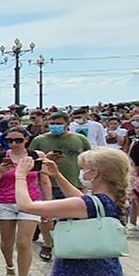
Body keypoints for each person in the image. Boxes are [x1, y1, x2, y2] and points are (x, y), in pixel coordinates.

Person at [0, 127, 51, 276]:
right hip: (5, 202)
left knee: (24, 242)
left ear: (26, 140)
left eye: (18, 140)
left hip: (30, 202)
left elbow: (45, 181)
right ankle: (9, 265)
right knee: (7, 242)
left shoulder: (37, 156)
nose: (14, 144)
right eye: (10, 141)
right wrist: (1, 170)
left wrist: (49, 205)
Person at [29, 111, 91, 261]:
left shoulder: (80, 139)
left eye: (59, 123)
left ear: (67, 124)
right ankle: (48, 244)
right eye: (52, 123)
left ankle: (71, 244)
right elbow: (30, 163)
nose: (55, 126)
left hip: (72, 183)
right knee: (46, 217)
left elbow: (88, 159)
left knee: (73, 216)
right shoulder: (39, 141)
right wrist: (46, 158)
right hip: (47, 184)